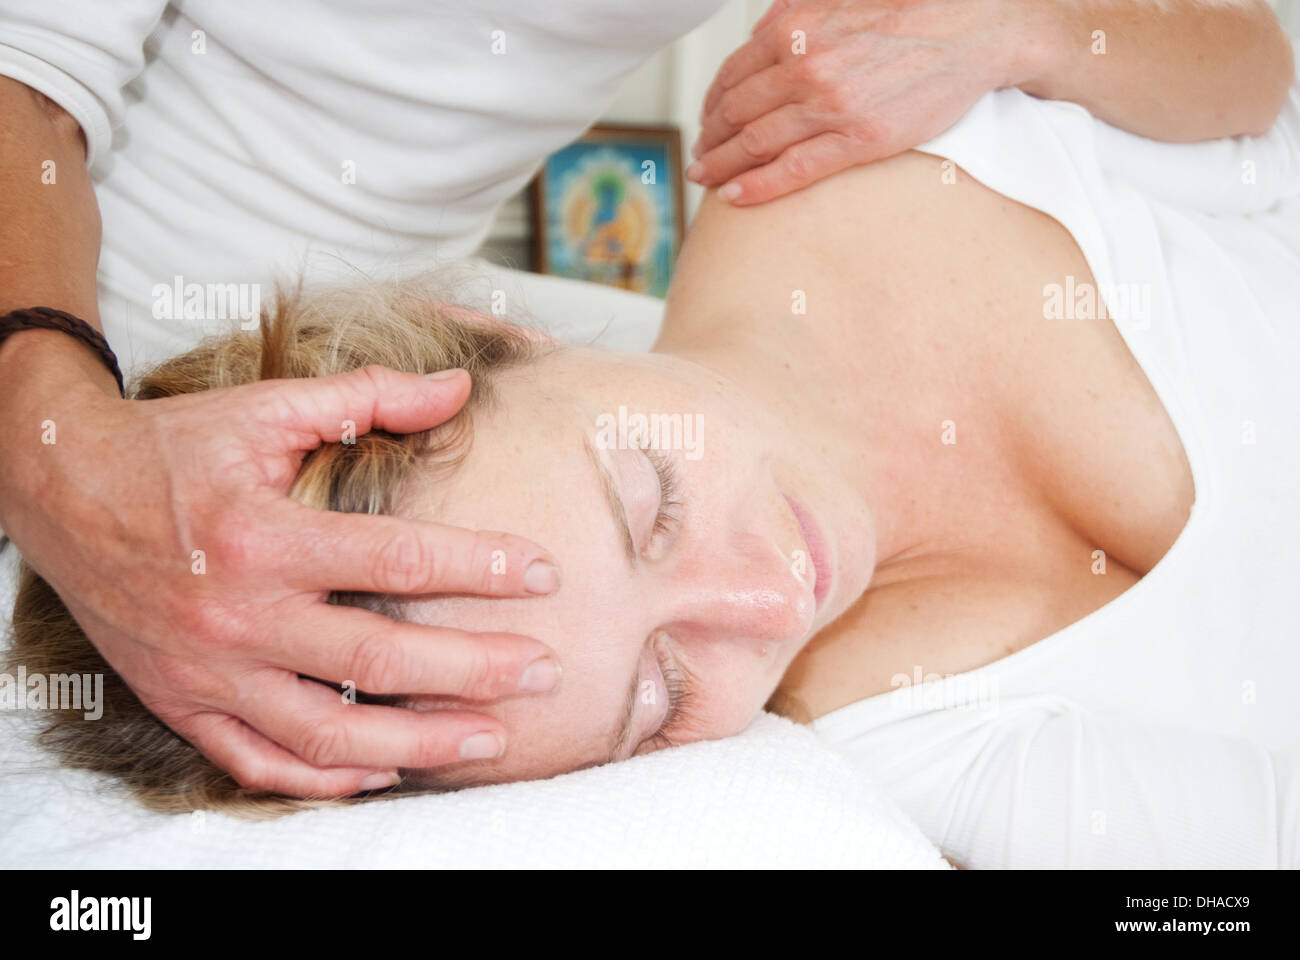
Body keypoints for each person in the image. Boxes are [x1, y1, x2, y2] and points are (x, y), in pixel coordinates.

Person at [10, 38, 1300, 867]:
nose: (763, 600)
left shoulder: (852, 102)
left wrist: (1034, 22)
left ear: (488, 324)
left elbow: (1254, 62)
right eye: (659, 696)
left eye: (652, 500)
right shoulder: (911, 752)